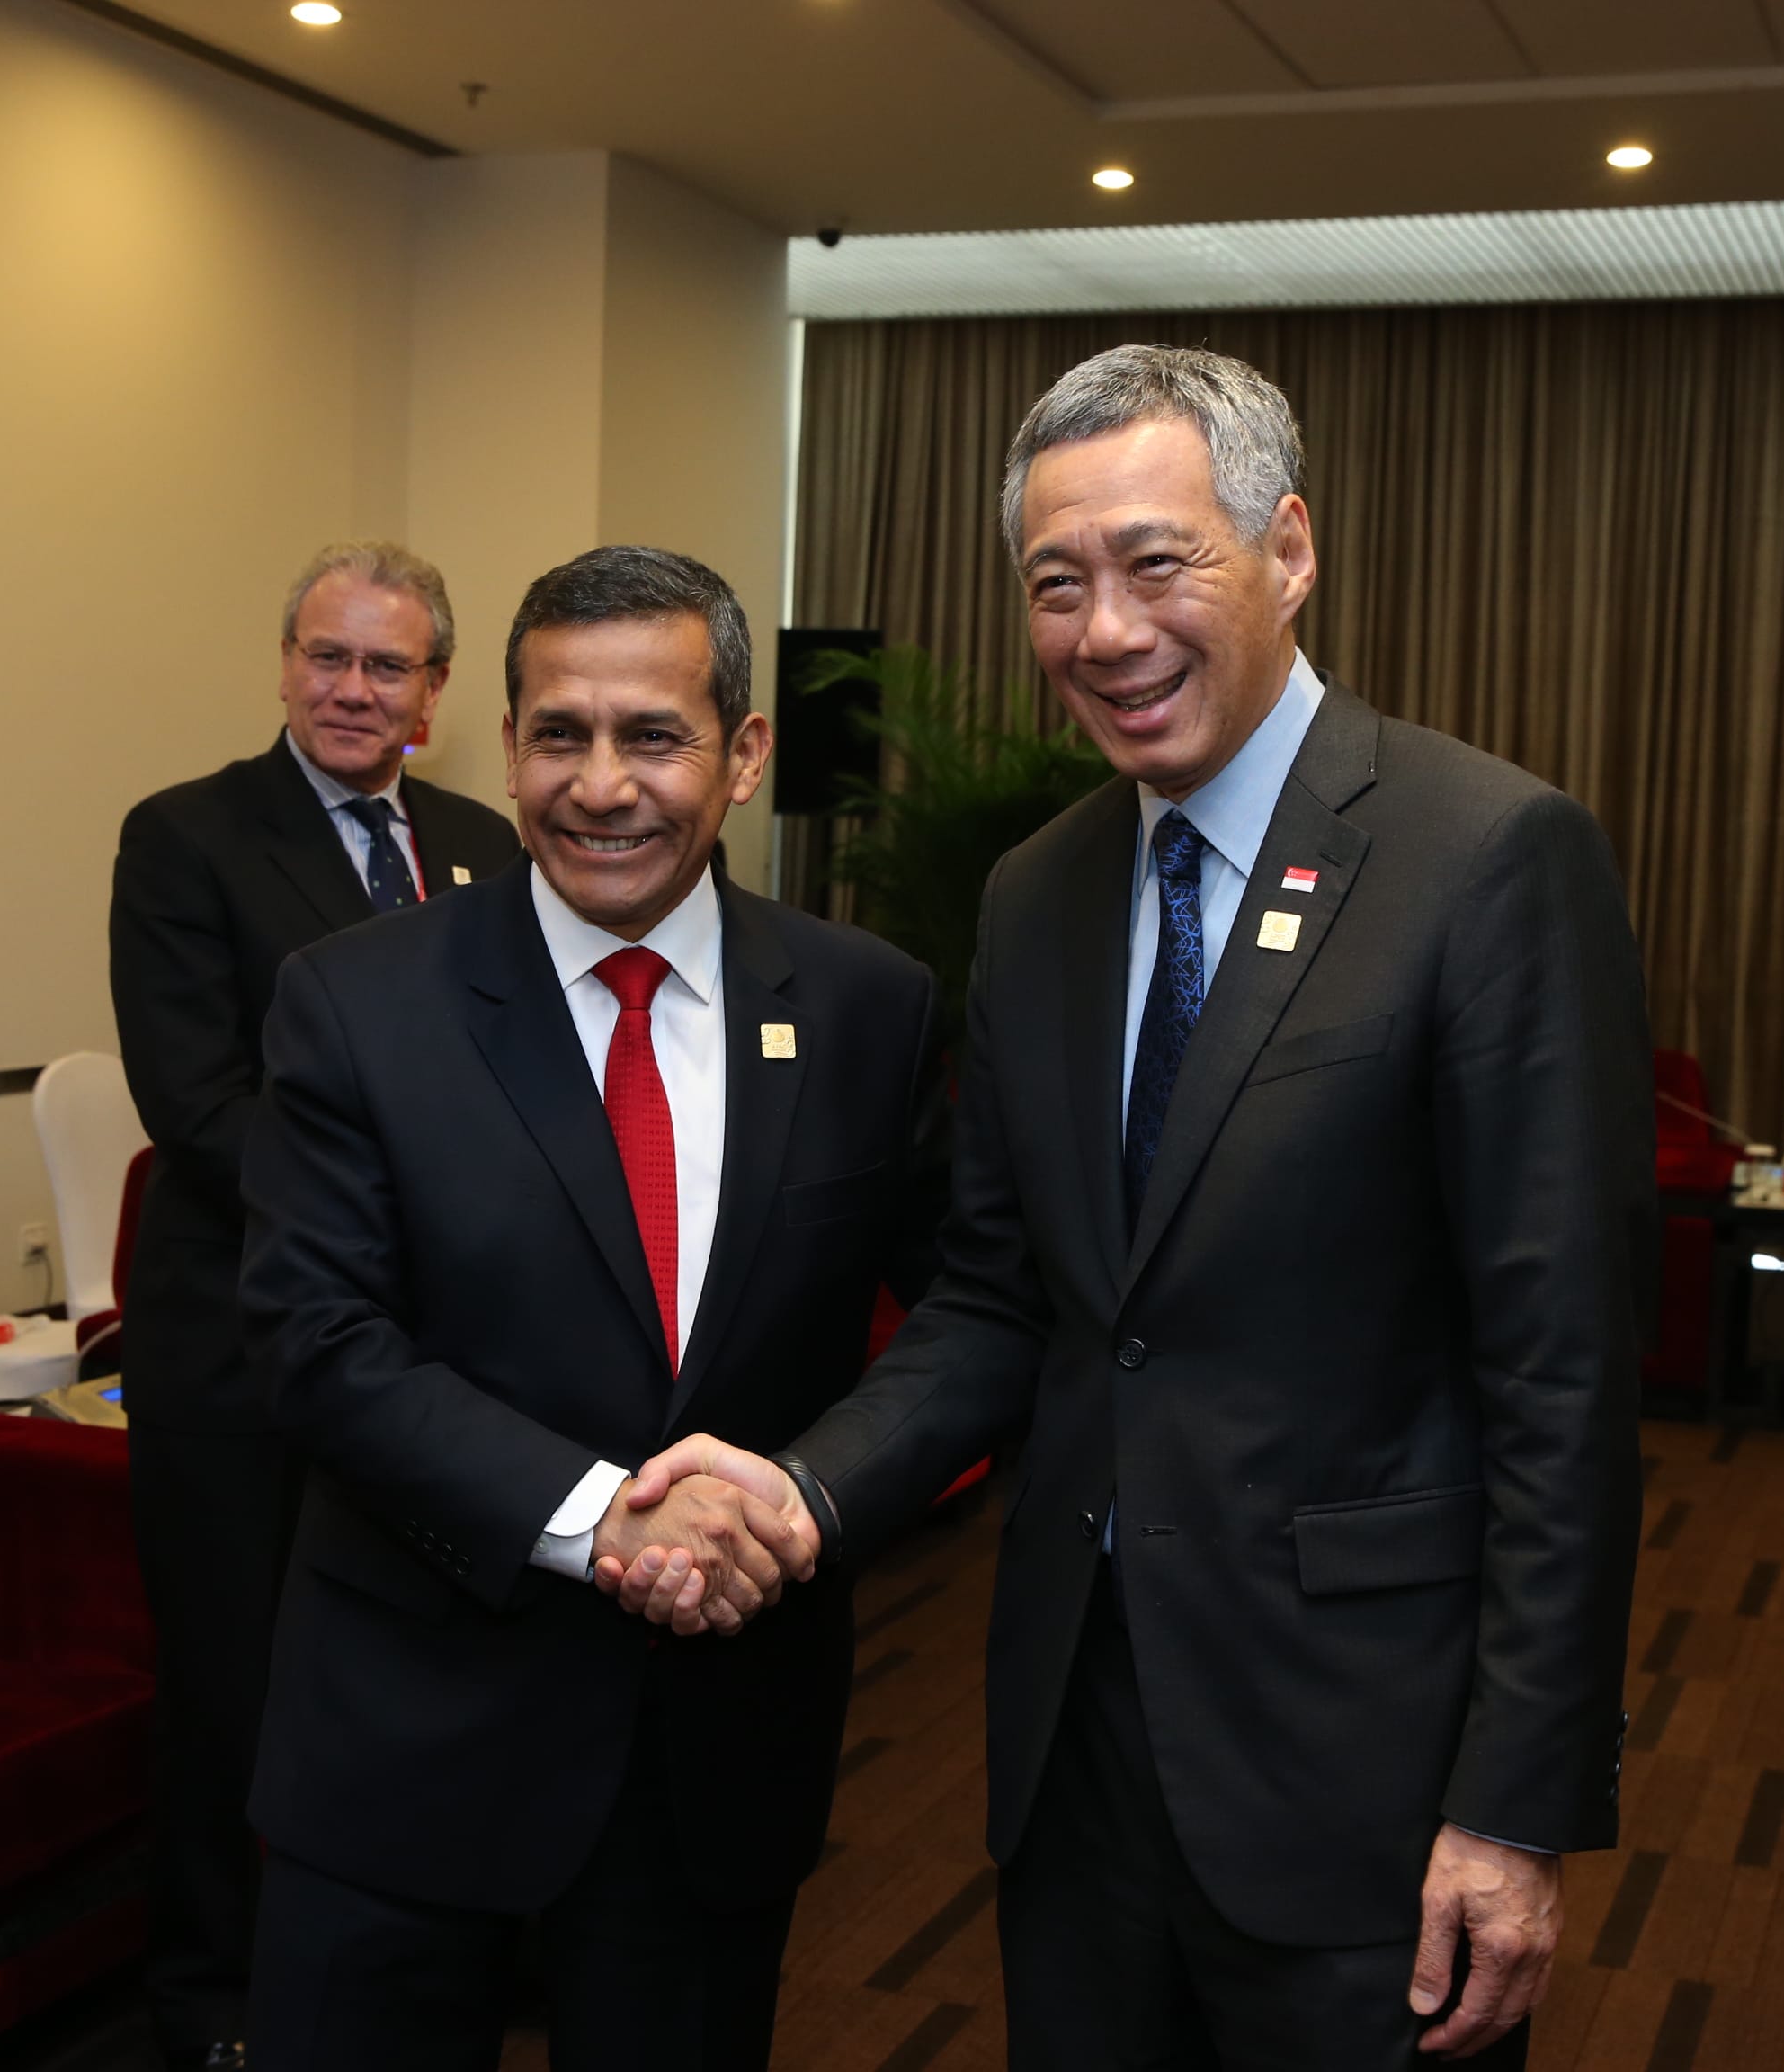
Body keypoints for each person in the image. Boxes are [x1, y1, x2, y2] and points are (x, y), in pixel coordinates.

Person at [617, 344, 1653, 2067]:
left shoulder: (1487, 858)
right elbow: (1005, 1302)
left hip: (1365, 1776)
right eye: (1056, 584)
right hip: (1077, 1752)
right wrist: (803, 1491)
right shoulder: (1042, 893)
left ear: (1291, 549)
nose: (1106, 631)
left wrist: (1518, 1804)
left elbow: (1564, 1380)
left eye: (1158, 562)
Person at [234, 545, 945, 2069]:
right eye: (560, 733)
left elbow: (972, 1318)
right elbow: (317, 1342)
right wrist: (599, 1515)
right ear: (506, 743)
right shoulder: (354, 1000)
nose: (600, 784)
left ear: (744, 754)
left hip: (713, 1751)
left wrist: (809, 1501)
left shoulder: (870, 1008)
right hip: (405, 1747)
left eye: (654, 736)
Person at [105, 540, 523, 2068]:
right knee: (233, 1679)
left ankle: (439, 1964)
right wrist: (422, 1210)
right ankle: (216, 2003)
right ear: (285, 665)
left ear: (434, 694)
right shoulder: (186, 839)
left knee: (436, 1663)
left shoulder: (486, 843)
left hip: (443, 1352)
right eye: (329, 657)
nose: (355, 689)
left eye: (389, 666)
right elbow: (199, 1105)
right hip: (243, 1345)